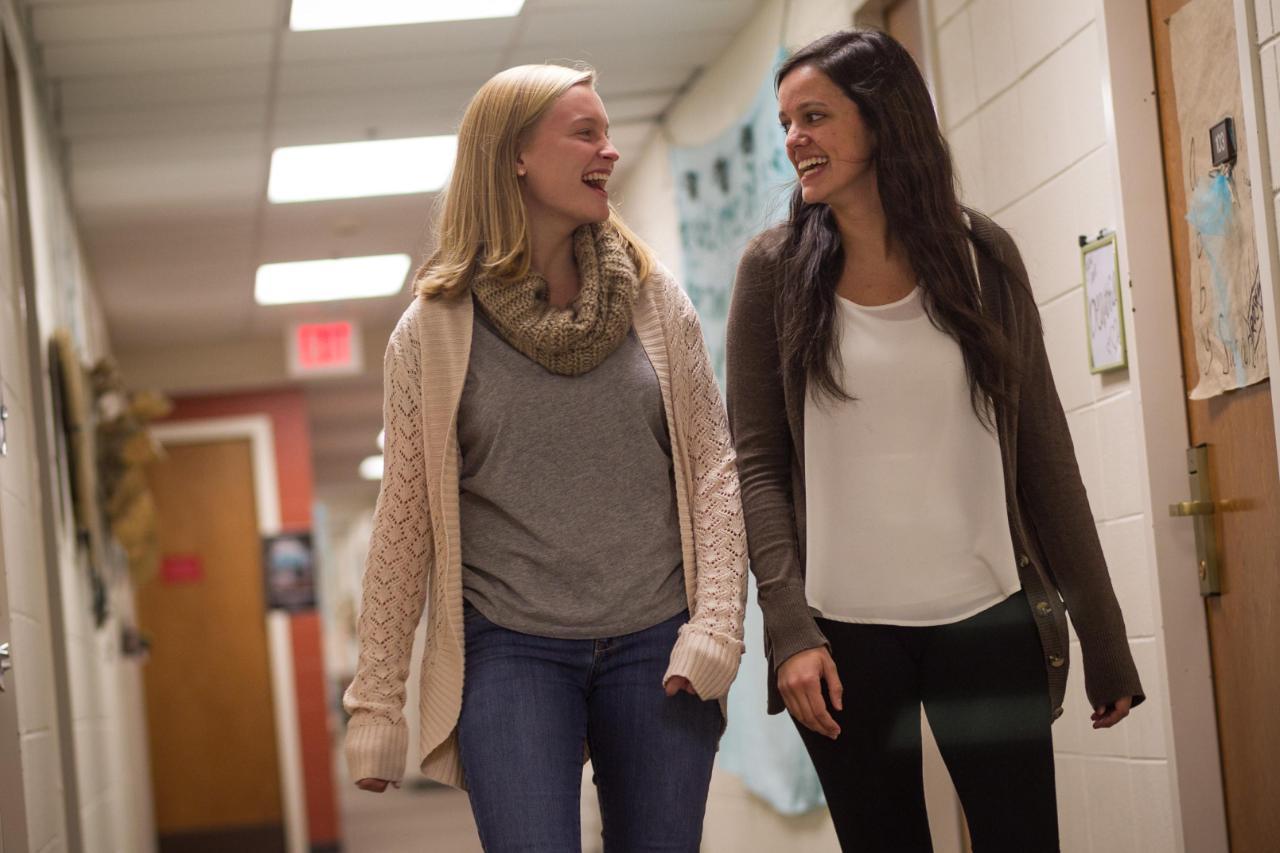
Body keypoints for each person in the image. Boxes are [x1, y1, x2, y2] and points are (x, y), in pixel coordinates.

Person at [725, 29, 1144, 852]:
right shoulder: (771, 272)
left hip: (988, 622)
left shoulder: (984, 257)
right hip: (841, 641)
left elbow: (1045, 458)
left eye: (814, 116)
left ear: (881, 120)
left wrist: (1106, 635)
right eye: (785, 122)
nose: (793, 140)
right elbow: (759, 468)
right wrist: (788, 632)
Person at [342, 63, 748, 852]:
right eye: (586, 133)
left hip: (655, 638)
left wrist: (718, 626)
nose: (612, 151)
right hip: (511, 644)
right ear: (515, 157)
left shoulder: (654, 302)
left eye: (609, 130)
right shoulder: (431, 332)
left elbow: (714, 468)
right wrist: (377, 707)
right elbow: (404, 521)